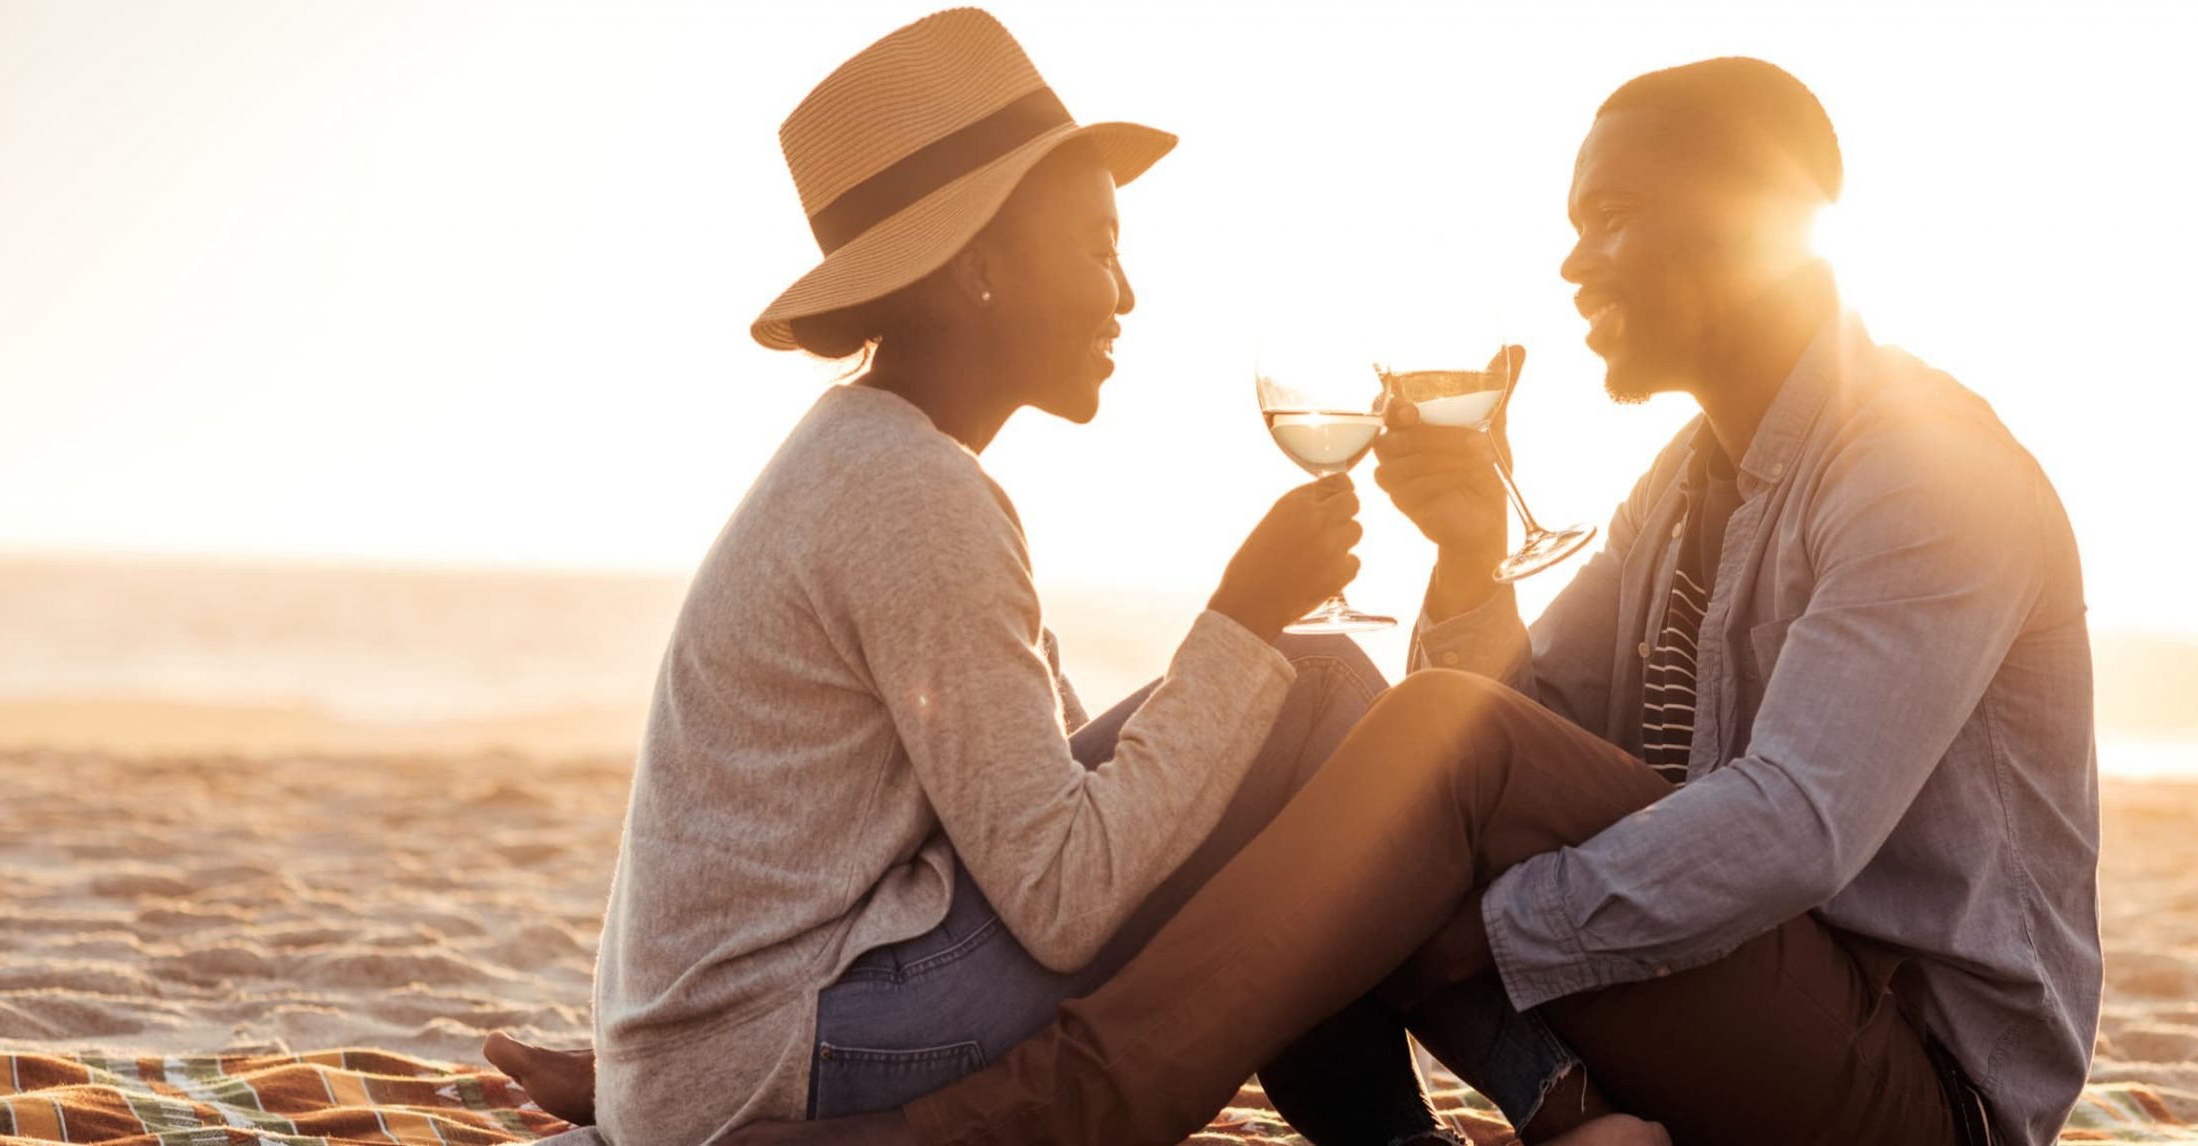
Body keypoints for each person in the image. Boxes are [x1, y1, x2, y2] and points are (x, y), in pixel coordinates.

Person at [727, 56, 2098, 1146]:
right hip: (1733, 995)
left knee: (1401, 777)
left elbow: (1796, 821)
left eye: (1610, 218)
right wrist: (1462, 553)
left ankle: (1029, 1125)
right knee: (1339, 749)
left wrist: (1467, 922)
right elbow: (1526, 735)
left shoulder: (1925, 467)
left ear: (1754, 222)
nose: (1573, 266)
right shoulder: (1691, 483)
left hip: (1909, 1084)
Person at [484, 10, 1585, 1146]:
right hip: (779, 1051)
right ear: (982, 271)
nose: (1126, 295)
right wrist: (1242, 621)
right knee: (1317, 704)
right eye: (1098, 247)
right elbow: (1068, 899)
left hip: (731, 1043)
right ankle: (1557, 1099)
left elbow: (1056, 800)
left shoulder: (882, 460)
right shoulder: (909, 493)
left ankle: (1442, 1126)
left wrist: (1243, 667)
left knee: (1306, 742)